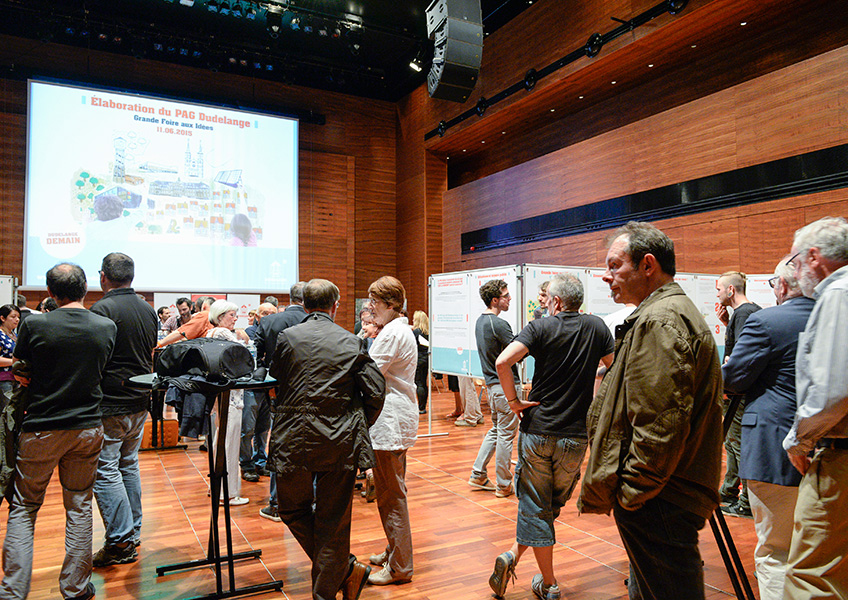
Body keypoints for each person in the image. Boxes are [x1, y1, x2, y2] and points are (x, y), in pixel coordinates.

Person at [578, 221, 723, 600]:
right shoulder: (665, 312)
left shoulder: (660, 319)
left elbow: (660, 422)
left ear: (647, 265)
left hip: (661, 498)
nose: (606, 276)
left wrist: (633, 493)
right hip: (664, 493)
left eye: (614, 266)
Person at [488, 274, 613, 600]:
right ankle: (520, 561)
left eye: (546, 299)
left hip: (538, 430)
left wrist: (514, 401)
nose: (544, 303)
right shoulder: (597, 327)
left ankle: (549, 583)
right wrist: (594, 382)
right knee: (547, 507)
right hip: (575, 436)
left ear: (556, 302)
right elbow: (615, 367)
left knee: (537, 507)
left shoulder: (540, 327)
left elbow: (503, 361)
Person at [0, 263, 116, 600]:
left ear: (50, 292)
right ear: (85, 288)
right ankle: (76, 588)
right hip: (87, 427)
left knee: (24, 508)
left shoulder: (35, 323)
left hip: (41, 428)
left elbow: (22, 371)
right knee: (79, 506)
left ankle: (12, 592)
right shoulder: (106, 326)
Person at [269, 278, 385, 600]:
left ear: (304, 306)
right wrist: (356, 423)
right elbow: (376, 391)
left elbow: (276, 380)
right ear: (335, 306)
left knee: (290, 509)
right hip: (340, 440)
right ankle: (342, 571)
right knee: (332, 523)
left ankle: (342, 571)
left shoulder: (287, 338)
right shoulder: (351, 341)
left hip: (293, 437)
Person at [722, 257, 814, 600]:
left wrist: (728, 369)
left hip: (775, 447)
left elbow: (735, 378)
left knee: (775, 549)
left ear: (785, 285)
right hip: (827, 446)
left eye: (774, 283)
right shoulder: (832, 316)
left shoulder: (767, 321)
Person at [781, 216, 848, 599]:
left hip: (838, 458)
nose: (795, 272)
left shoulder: (838, 293)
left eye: (794, 262)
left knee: (811, 576)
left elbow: (832, 389)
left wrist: (798, 441)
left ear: (813, 256)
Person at [90, 253, 158, 567]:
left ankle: (120, 541)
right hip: (140, 399)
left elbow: (96, 358)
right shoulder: (147, 309)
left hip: (111, 401)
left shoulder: (102, 309)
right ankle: (132, 531)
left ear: (104, 276)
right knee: (128, 465)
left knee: (105, 471)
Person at [365, 276, 418, 586]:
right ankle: (394, 551)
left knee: (391, 496)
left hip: (390, 422)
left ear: (391, 305)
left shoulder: (392, 334)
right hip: (397, 420)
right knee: (392, 491)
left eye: (375, 302)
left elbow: (369, 375)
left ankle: (399, 567)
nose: (371, 307)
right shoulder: (399, 330)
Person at [255, 282, 307, 520]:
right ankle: (310, 501)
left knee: (277, 441)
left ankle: (276, 503)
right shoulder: (314, 321)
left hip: (277, 391)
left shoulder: (268, 322)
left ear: (290, 297)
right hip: (309, 391)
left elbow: (258, 357)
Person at [467, 280, 520, 498]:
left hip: (492, 386)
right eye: (506, 296)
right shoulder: (498, 324)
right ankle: (504, 484)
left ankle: (478, 474)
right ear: (495, 300)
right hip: (504, 386)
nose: (509, 299)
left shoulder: (481, 322)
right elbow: (518, 351)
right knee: (506, 434)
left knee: (497, 431)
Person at [716, 271, 761, 517]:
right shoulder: (744, 313)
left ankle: (745, 501)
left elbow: (741, 358)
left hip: (739, 394)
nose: (718, 294)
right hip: (738, 392)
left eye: (720, 289)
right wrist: (727, 325)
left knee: (737, 443)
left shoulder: (743, 313)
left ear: (731, 290)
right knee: (732, 443)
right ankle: (730, 490)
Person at [206, 300, 250, 506]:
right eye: (232, 315)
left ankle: (216, 488)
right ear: (220, 316)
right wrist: (246, 341)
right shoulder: (222, 334)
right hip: (231, 396)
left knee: (221, 441)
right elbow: (245, 359)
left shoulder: (212, 334)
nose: (235, 318)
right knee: (229, 443)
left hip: (223, 394)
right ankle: (228, 493)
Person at [241, 302, 276, 482]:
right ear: (257, 316)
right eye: (264, 313)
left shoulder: (274, 331)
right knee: (247, 428)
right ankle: (246, 464)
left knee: (263, 429)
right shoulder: (250, 332)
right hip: (251, 386)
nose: (268, 316)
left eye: (272, 313)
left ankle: (260, 461)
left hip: (267, 386)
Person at [0, 304, 21, 398]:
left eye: (18, 317)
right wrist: (15, 361)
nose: (17, 320)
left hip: (16, 378)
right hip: (3, 379)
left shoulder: (15, 335)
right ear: (3, 318)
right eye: (13, 317)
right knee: (6, 411)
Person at [411, 311, 430, 414]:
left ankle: (420, 408)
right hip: (427, 359)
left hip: (418, 360)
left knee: (418, 383)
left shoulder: (416, 332)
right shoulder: (428, 332)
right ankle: (423, 406)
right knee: (423, 382)